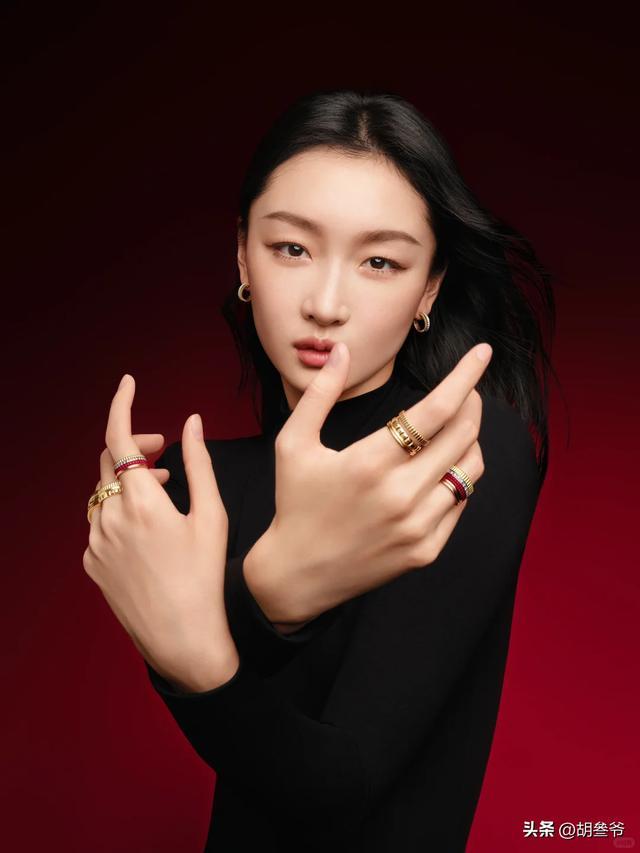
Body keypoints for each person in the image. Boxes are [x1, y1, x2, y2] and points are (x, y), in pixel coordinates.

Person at [85, 88, 555, 852]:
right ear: (244, 254)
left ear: (429, 286)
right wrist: (243, 592)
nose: (326, 304)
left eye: (379, 261)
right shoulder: (200, 489)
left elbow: (338, 791)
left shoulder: (464, 448)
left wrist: (210, 645)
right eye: (292, 249)